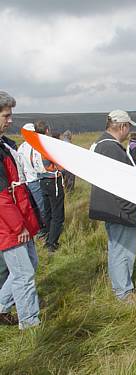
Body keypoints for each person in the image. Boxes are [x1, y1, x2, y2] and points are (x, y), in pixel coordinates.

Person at [89, 110, 136, 303]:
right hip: (119, 210)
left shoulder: (100, 144)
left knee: (117, 248)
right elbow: (120, 185)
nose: (128, 131)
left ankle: (121, 288)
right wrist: (131, 210)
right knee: (122, 251)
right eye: (128, 127)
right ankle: (123, 292)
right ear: (122, 126)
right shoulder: (111, 148)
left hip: (112, 208)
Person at [0, 91, 41, 329]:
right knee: (24, 274)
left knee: (29, 267)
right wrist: (19, 227)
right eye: (6, 115)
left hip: (18, 219)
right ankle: (30, 324)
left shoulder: (4, 145)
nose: (10, 120)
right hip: (9, 225)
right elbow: (2, 197)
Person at [37, 120, 65, 252]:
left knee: (47, 211)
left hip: (41, 180)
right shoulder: (46, 144)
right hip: (52, 180)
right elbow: (56, 165)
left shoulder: (31, 144)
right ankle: (51, 244)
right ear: (47, 130)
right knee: (57, 213)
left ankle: (48, 237)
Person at [17, 123, 48, 238]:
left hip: (32, 180)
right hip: (32, 181)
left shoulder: (25, 146)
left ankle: (45, 228)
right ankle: (43, 228)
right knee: (39, 207)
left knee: (39, 206)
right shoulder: (28, 146)